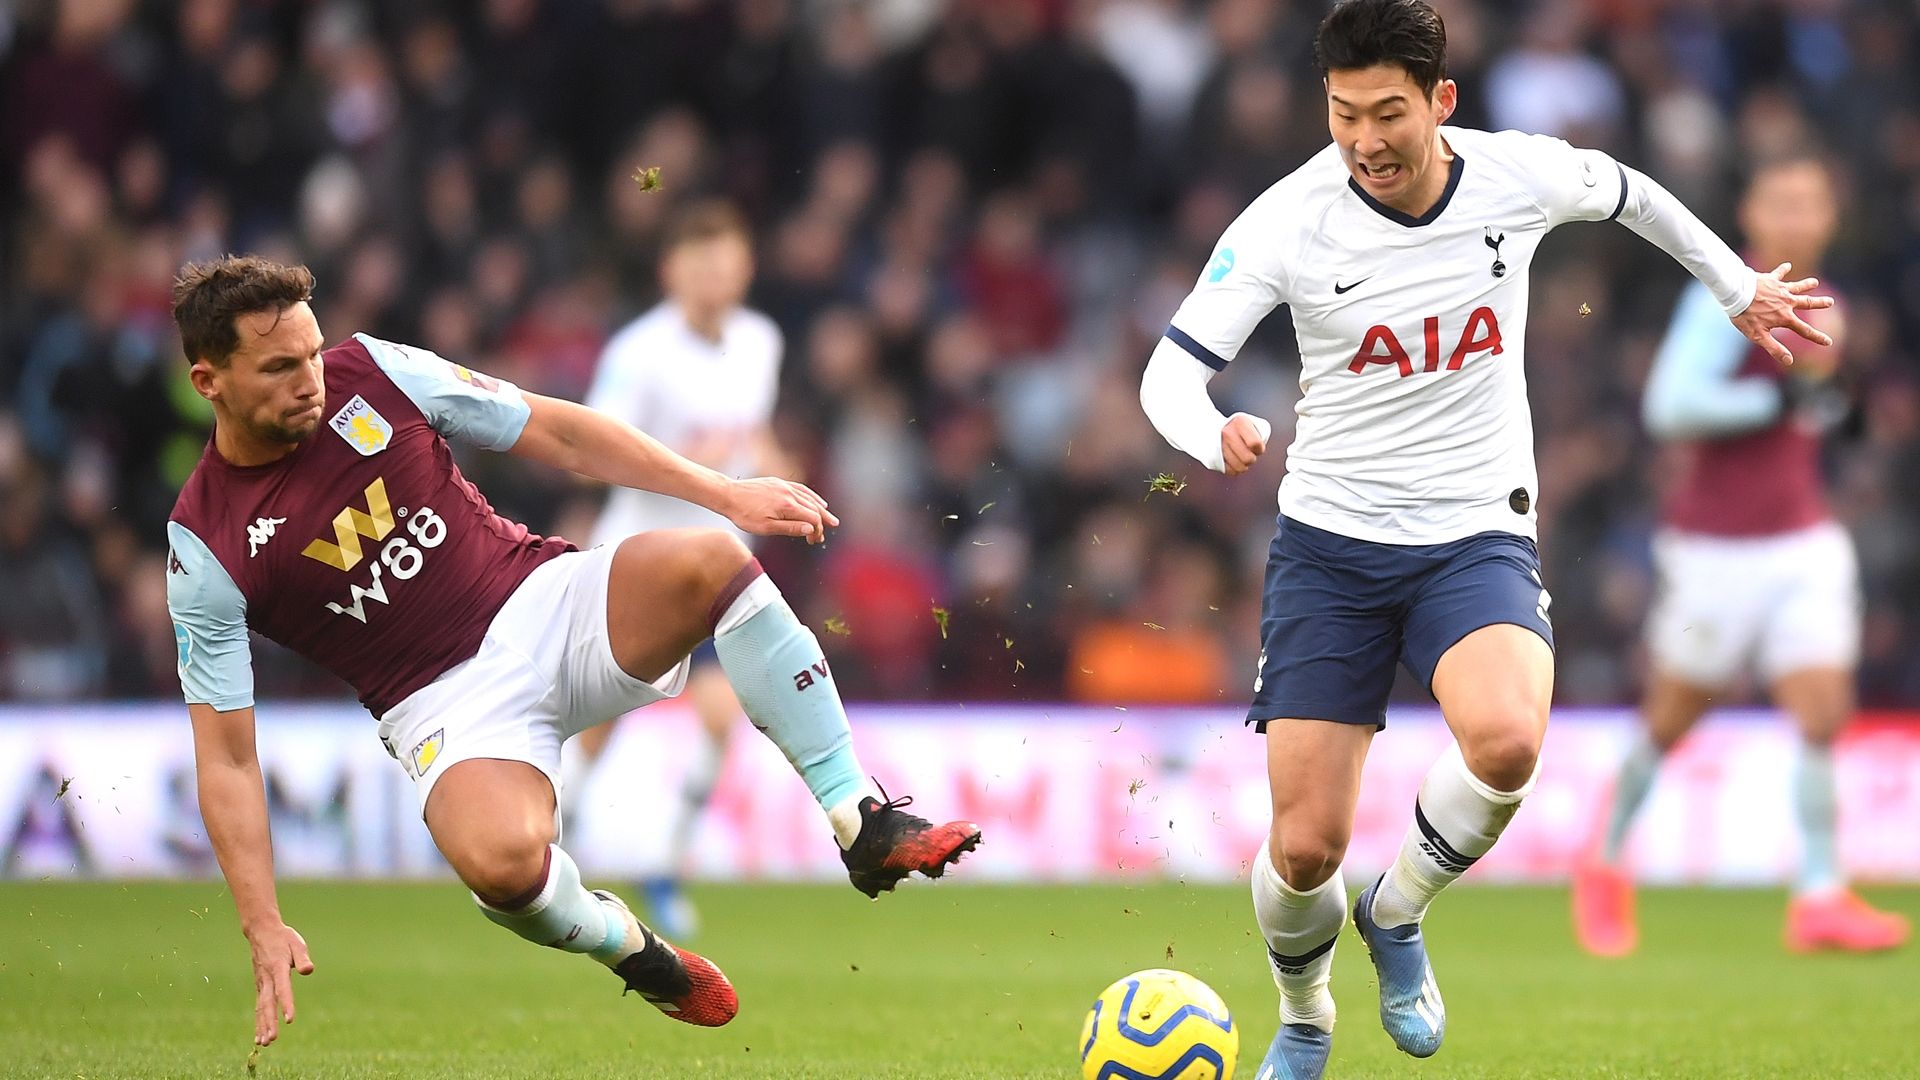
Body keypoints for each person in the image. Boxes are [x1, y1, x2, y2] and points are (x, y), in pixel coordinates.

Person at [1137, 2, 1832, 1077]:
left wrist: (1738, 289)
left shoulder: (1517, 175)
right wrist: (1209, 429)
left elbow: (1632, 193)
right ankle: (1307, 1011)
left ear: (1441, 102)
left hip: (1473, 529)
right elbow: (1171, 370)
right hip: (1329, 542)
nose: (1364, 139)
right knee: (1305, 844)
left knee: (1508, 738)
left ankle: (1400, 909)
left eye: (1387, 113)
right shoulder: (1285, 221)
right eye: (1342, 114)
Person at [165, 255, 981, 1048]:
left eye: (311, 352)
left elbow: (555, 430)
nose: (310, 378)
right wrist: (262, 923)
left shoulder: (373, 370)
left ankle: (860, 819)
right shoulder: (205, 547)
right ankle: (630, 947)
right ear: (210, 382)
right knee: (504, 866)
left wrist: (723, 492)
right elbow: (229, 761)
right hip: (441, 704)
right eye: (278, 368)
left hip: (542, 601)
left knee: (713, 561)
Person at [1574, 157, 1910, 957]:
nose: (1796, 217)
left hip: (1801, 538)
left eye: (1810, 202)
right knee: (1671, 717)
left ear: (1832, 214)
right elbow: (1670, 407)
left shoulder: (1831, 303)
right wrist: (1775, 401)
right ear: (1751, 214)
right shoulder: (1719, 295)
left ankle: (1820, 893)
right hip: (1714, 550)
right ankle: (1603, 862)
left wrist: (1839, 416)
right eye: (1780, 202)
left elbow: (1813, 412)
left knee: (1823, 709)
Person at [569, 200, 791, 940]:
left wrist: (784, 482)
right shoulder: (638, 353)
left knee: (725, 719)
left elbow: (750, 433)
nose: (713, 277)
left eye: (725, 262)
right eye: (699, 265)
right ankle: (539, 850)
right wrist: (702, 485)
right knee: (599, 723)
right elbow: (601, 447)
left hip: (721, 571)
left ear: (745, 268)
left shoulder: (761, 340)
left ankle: (663, 866)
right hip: (641, 566)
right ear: (671, 272)